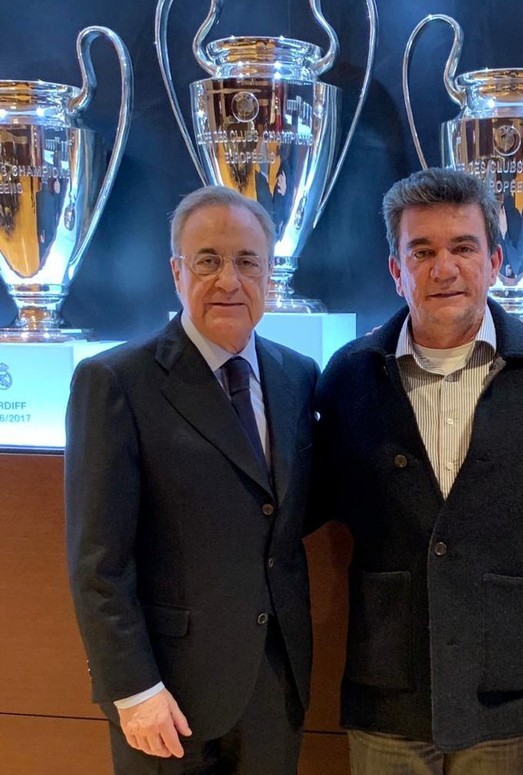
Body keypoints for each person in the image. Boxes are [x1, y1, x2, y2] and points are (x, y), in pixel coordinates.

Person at [311, 167, 523, 774]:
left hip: (504, 683)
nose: (444, 268)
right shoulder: (350, 375)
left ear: (495, 259)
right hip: (388, 681)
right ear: (396, 269)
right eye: (422, 251)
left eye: (463, 247)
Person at [65, 185, 319, 774]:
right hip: (166, 697)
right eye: (208, 260)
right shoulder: (115, 381)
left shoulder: (296, 376)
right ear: (176, 273)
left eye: (246, 261)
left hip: (273, 685)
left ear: (269, 273)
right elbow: (97, 561)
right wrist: (133, 689)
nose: (229, 280)